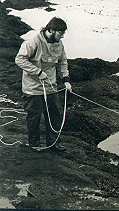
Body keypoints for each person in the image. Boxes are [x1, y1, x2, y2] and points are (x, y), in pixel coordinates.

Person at [15, 17, 72, 151]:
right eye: (60, 33)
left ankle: (54, 144)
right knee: (34, 116)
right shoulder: (33, 42)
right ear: (51, 30)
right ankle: (34, 144)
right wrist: (38, 72)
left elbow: (63, 62)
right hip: (33, 88)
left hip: (51, 86)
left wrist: (66, 80)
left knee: (55, 115)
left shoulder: (59, 43)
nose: (62, 36)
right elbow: (19, 59)